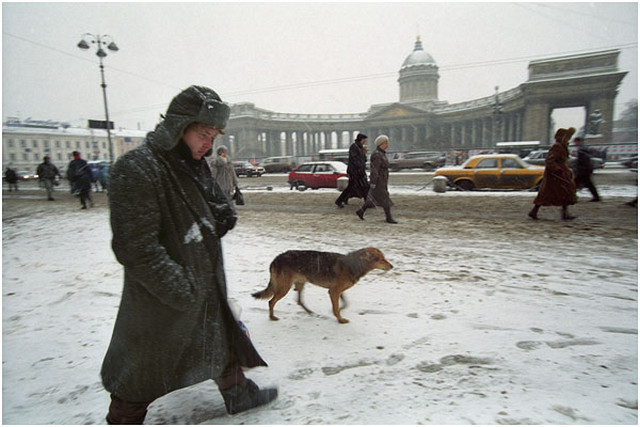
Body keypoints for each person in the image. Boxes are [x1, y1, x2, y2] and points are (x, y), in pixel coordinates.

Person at [100, 85, 277, 424]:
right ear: (178, 127)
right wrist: (182, 289)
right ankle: (123, 418)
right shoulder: (137, 168)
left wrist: (221, 215)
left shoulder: (192, 163)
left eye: (214, 135)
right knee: (143, 367)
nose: (209, 143)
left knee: (219, 342)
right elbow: (135, 247)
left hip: (202, 282)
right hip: (163, 296)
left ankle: (239, 393)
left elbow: (210, 213)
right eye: (203, 133)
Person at [529, 127, 577, 221]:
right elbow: (549, 160)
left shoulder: (562, 146)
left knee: (560, 192)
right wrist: (557, 169)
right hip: (556, 175)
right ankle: (535, 211)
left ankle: (535, 211)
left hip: (560, 174)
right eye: (567, 136)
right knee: (556, 192)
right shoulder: (557, 146)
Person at [356, 134, 397, 223]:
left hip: (382, 179)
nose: (387, 145)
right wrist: (373, 182)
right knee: (385, 198)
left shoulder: (381, 153)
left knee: (372, 199)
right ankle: (389, 218)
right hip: (379, 181)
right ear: (381, 143)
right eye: (386, 143)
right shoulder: (377, 155)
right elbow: (375, 169)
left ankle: (361, 211)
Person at [335, 133, 369, 208]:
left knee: (364, 186)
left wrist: (364, 154)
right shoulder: (354, 147)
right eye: (364, 139)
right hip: (355, 172)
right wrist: (359, 167)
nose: (364, 141)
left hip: (359, 171)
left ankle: (368, 202)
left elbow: (363, 159)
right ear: (360, 139)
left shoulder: (360, 147)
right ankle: (339, 200)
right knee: (357, 187)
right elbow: (354, 159)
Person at [572, 136, 601, 202]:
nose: (575, 143)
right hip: (586, 169)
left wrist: (579, 168)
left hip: (583, 170)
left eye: (576, 142)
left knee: (575, 183)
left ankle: (572, 197)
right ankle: (596, 197)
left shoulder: (581, 150)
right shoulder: (584, 149)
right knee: (588, 184)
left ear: (579, 142)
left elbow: (583, 161)